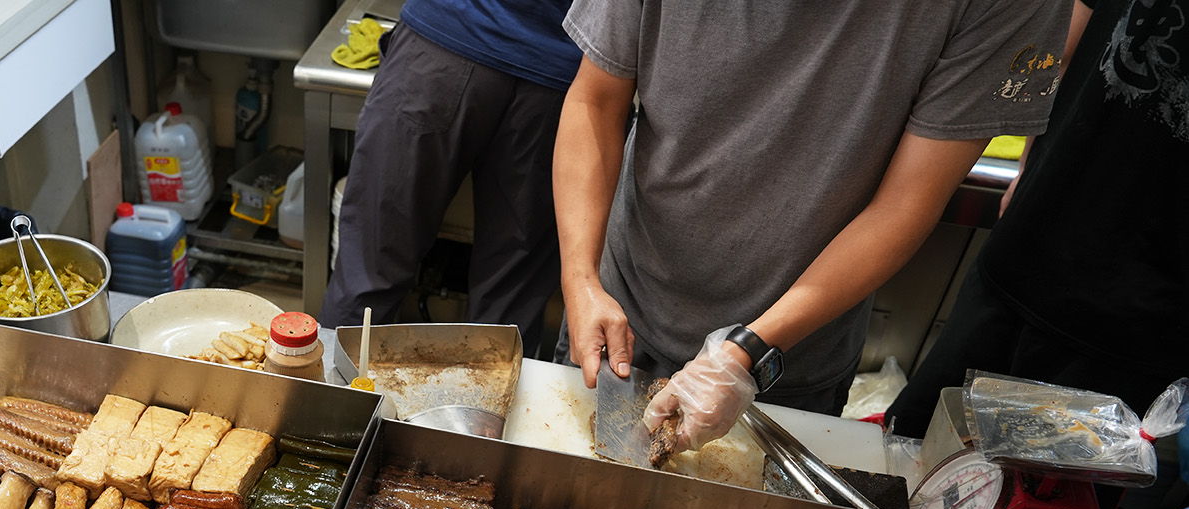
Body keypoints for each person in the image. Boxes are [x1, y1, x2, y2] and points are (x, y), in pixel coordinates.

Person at [554, 0, 1073, 455]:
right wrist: (581, 280)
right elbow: (595, 100)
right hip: (620, 311)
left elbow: (906, 205)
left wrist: (745, 354)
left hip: (788, 359)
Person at [886, 0, 1189, 439]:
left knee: (1043, 500)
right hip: (1024, 254)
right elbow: (1057, 44)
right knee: (912, 454)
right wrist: (1028, 167)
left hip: (1141, 326)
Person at [320, 0, 584, 355]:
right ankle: (484, 411)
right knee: (508, 307)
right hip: (556, 71)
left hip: (444, 46)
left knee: (370, 271)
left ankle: (336, 405)